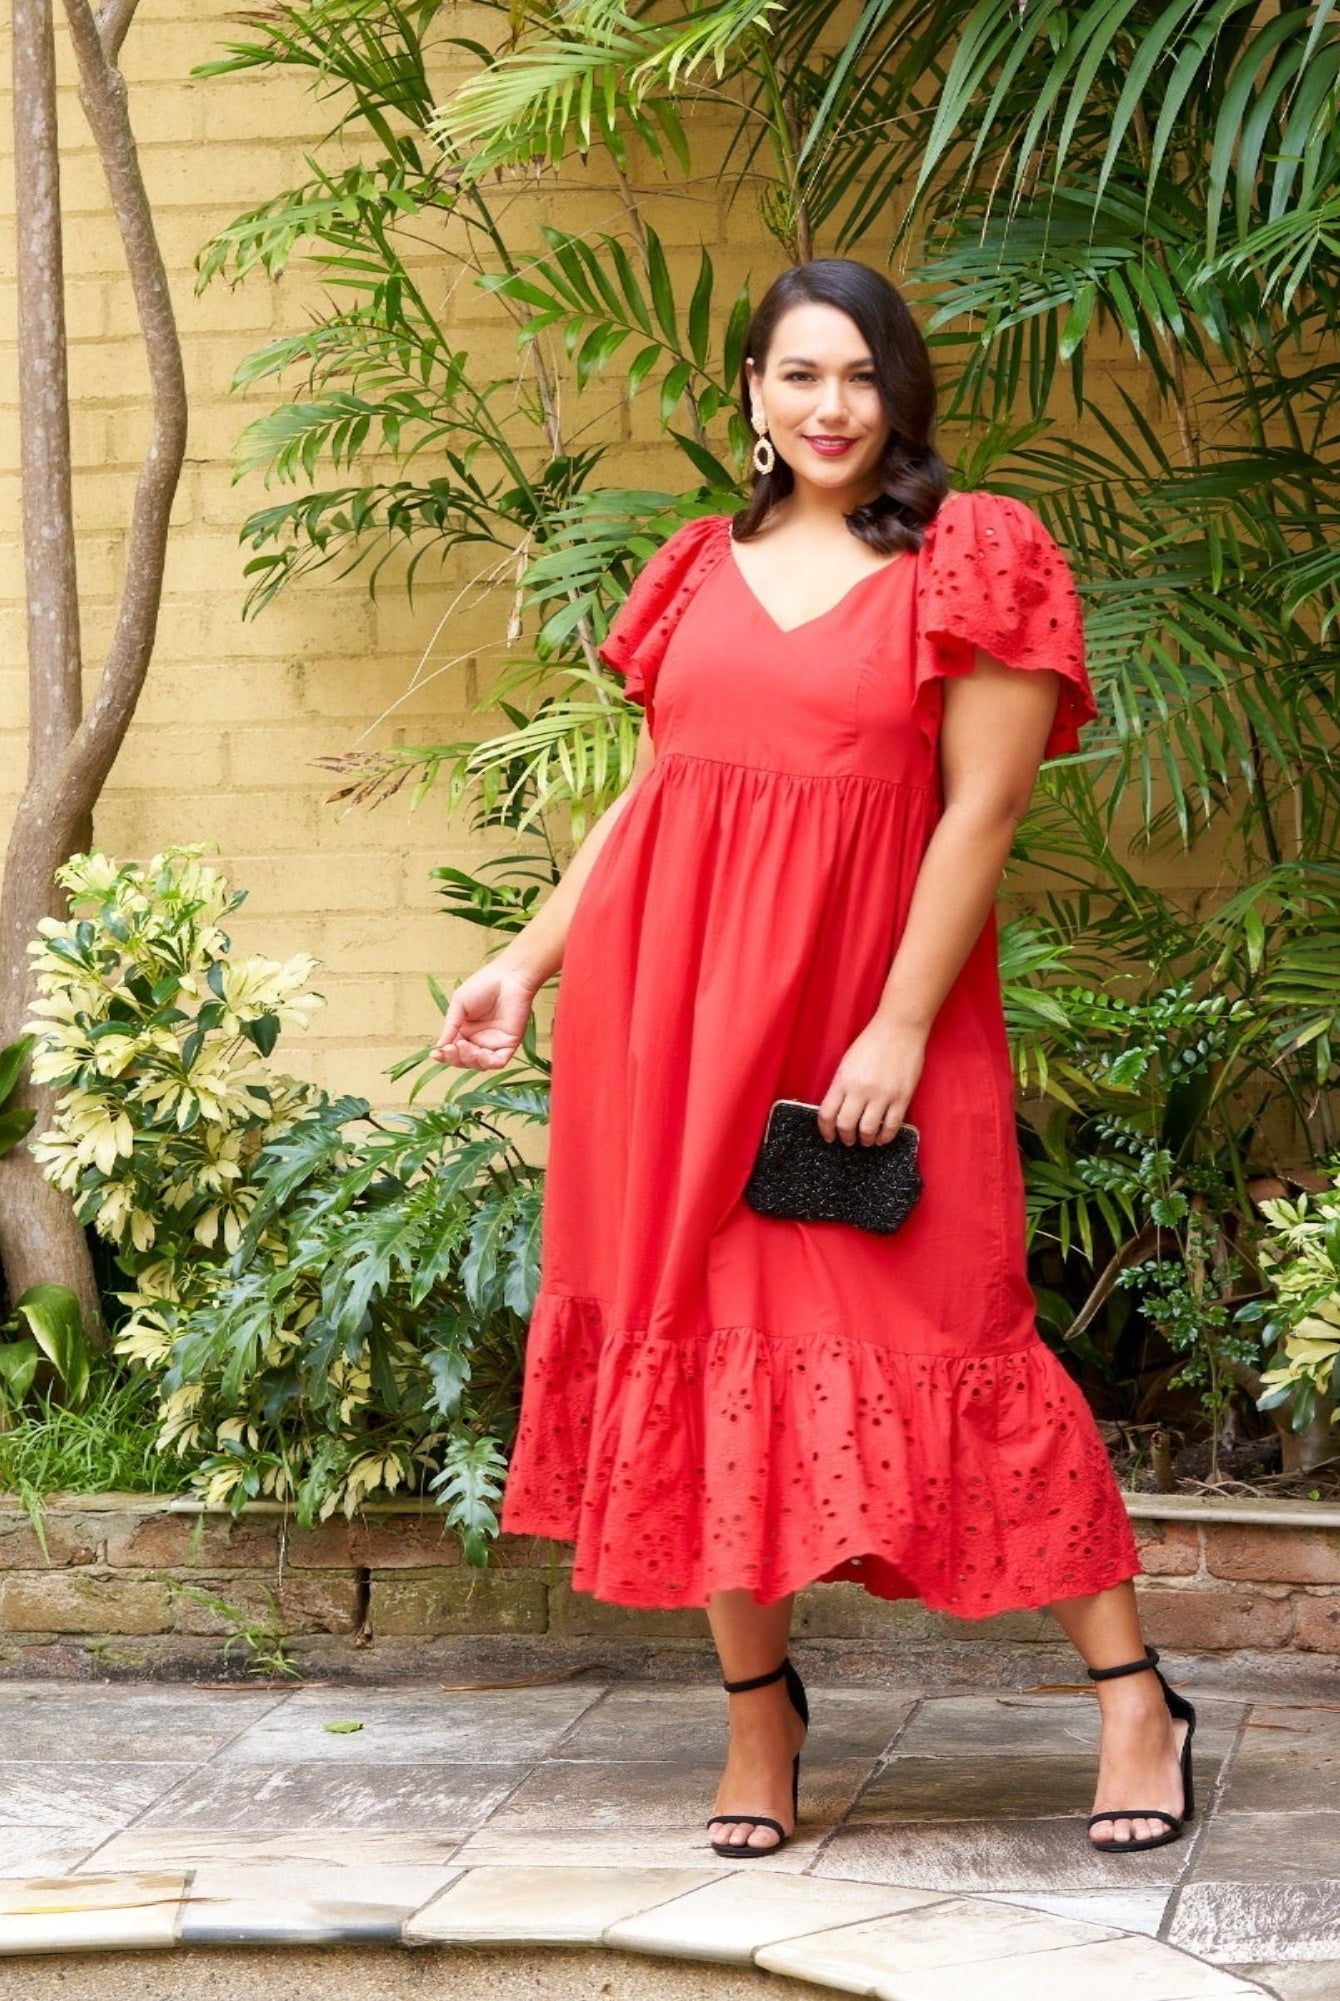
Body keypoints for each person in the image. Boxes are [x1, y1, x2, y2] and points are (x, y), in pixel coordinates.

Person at [432, 258, 1196, 1862]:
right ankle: (757, 1715)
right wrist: (520, 960)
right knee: (701, 1346)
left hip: (864, 1021)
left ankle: (1132, 1694)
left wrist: (901, 1025)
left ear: (899, 391)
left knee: (955, 1332)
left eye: (858, 374)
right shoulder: (695, 569)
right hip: (671, 1025)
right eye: (798, 375)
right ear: (752, 397)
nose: (830, 404)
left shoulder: (965, 555)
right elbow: (658, 801)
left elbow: (981, 811)